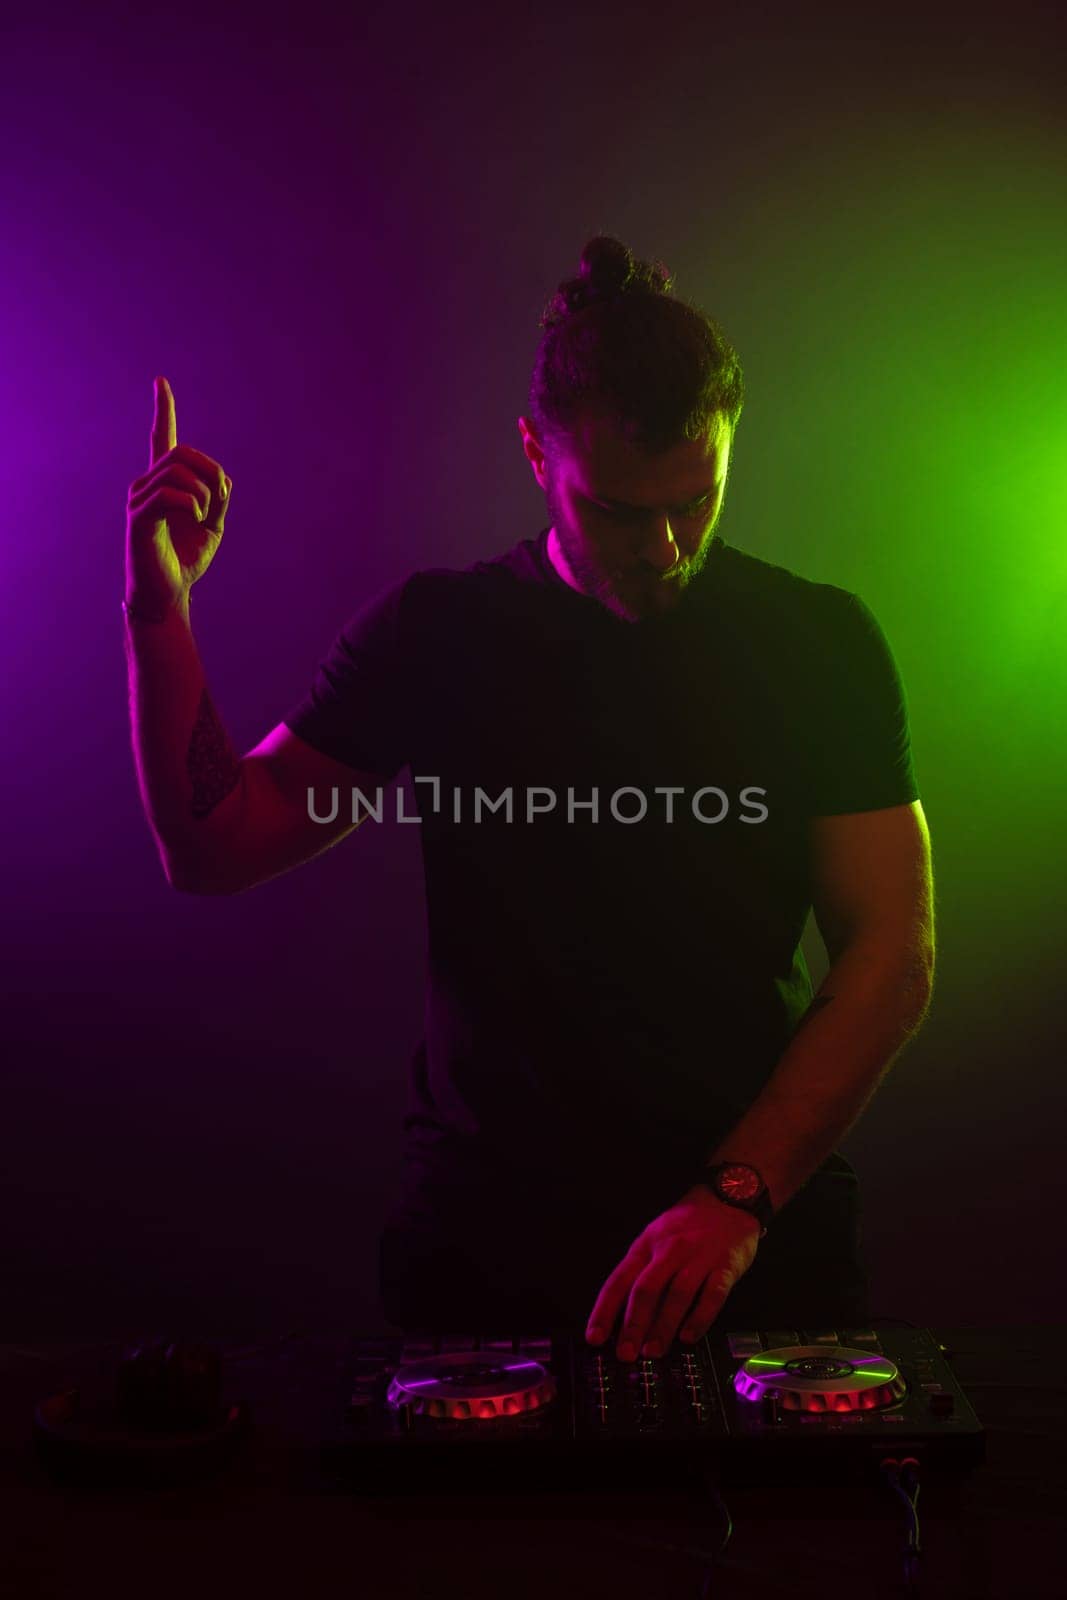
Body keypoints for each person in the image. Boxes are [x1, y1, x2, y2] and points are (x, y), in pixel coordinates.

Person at [124, 235, 934, 1358]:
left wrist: (735, 1198)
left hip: (753, 1227)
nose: (663, 548)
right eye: (613, 509)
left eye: (695, 498)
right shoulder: (438, 633)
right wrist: (160, 617)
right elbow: (215, 847)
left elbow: (890, 951)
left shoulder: (816, 641)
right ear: (530, 452)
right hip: (485, 1236)